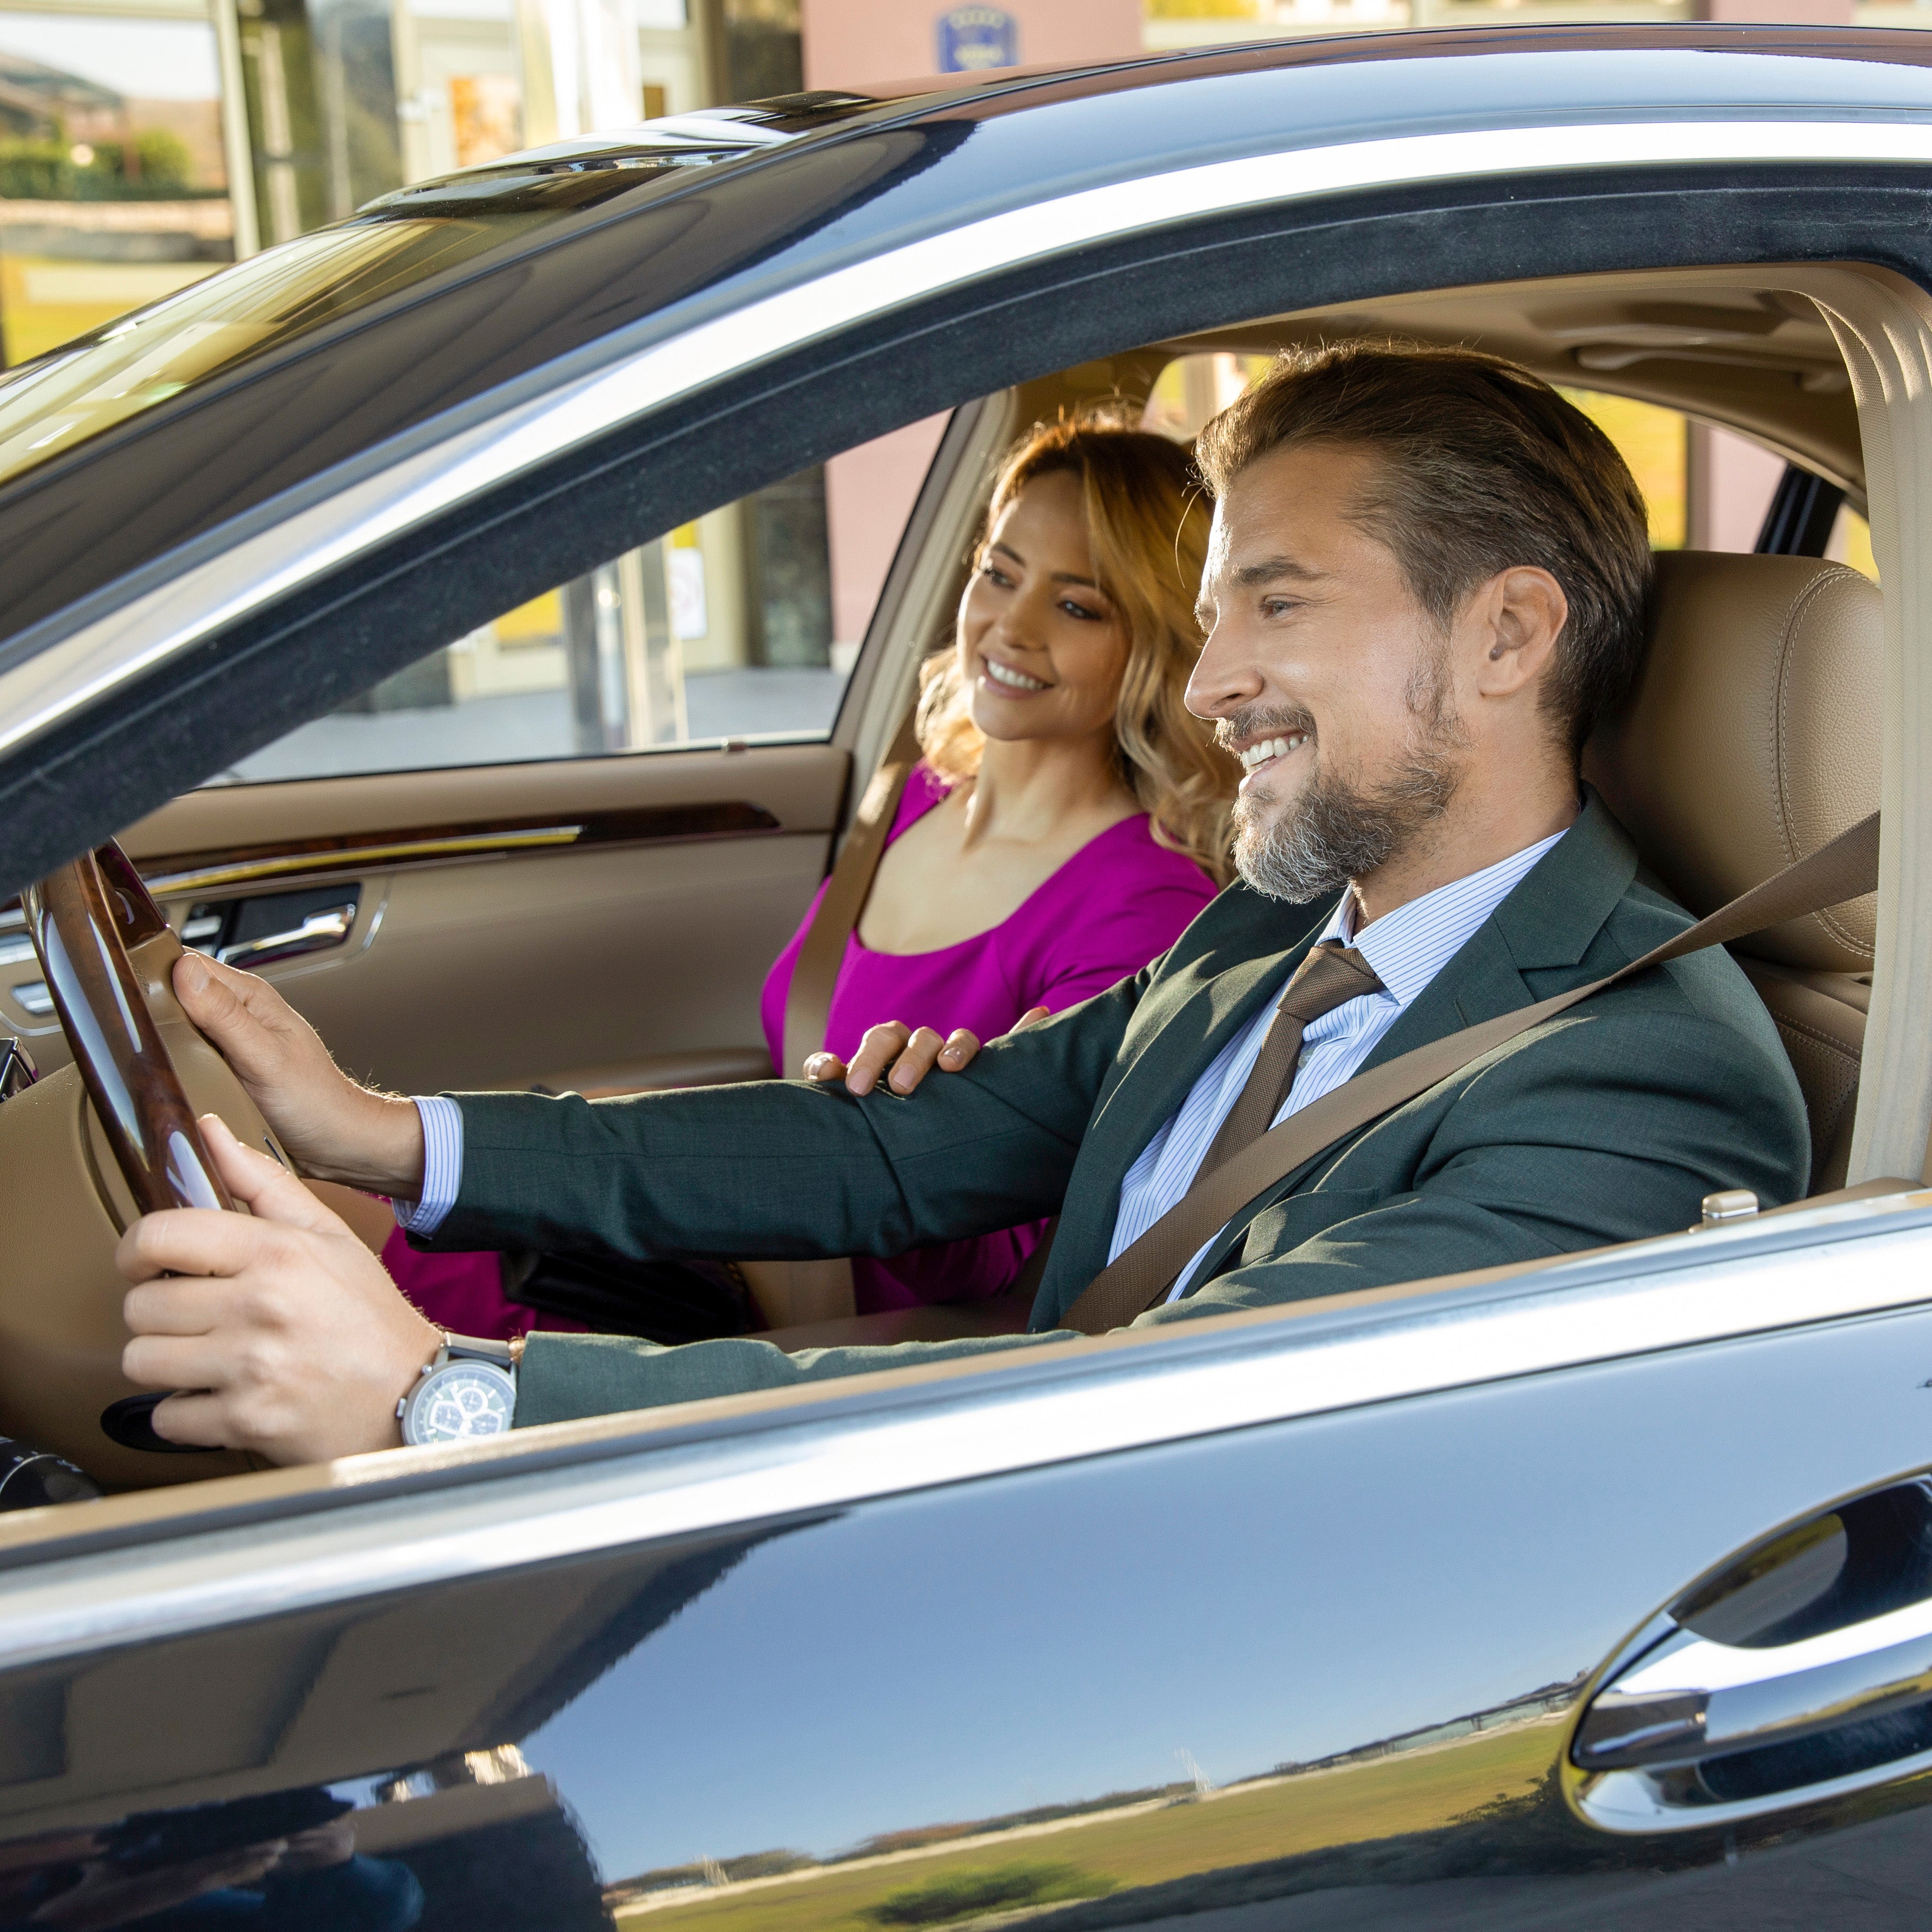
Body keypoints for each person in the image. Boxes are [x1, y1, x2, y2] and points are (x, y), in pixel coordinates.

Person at [119, 341, 1810, 1465]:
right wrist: (388, 1136)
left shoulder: (1640, 1075)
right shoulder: (1277, 927)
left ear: (1509, 636)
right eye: (1212, 615)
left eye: (1274, 608)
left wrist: (443, 1397)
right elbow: (889, 1151)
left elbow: (1165, 1417)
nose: (1208, 683)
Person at [378, 414, 1228, 1334]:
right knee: (349, 1214)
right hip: (729, 1238)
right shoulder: (914, 799)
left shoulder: (1149, 910)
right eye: (999, 573)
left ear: (1156, 640)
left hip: (814, 1338)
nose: (1009, 626)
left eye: (1077, 606)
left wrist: (904, 1139)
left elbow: (1017, 1248)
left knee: (366, 1245)